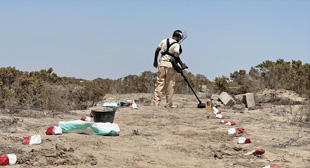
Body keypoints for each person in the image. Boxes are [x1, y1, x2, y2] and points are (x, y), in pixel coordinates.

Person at [153, 30, 187, 107]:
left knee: (159, 84)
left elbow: (157, 50)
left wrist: (155, 61)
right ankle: (169, 104)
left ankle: (156, 103)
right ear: (178, 37)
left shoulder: (164, 40)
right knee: (170, 85)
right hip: (170, 67)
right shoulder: (176, 45)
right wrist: (182, 64)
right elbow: (176, 55)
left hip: (161, 64)